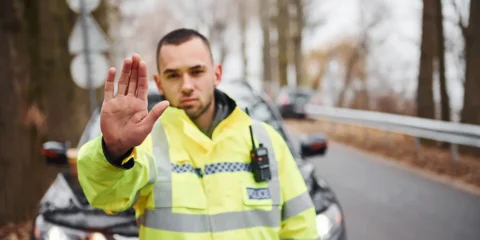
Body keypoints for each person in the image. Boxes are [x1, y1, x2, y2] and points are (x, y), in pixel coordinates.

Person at [77, 28, 320, 240]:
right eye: (173, 75)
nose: (186, 85)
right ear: (159, 83)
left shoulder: (267, 140)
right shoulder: (144, 145)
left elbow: (302, 228)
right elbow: (106, 197)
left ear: (217, 74)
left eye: (196, 71)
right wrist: (115, 150)